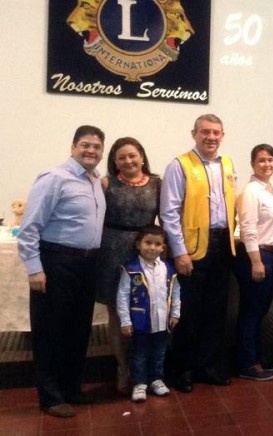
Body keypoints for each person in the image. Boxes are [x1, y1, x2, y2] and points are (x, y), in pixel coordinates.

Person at [17, 125, 106, 418]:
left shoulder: (95, 182)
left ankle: (70, 388)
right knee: (50, 331)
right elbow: (29, 228)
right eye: (85, 145)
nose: (90, 150)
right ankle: (50, 396)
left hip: (87, 264)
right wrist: (34, 269)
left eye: (96, 146)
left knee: (78, 330)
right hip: (57, 262)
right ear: (73, 147)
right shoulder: (54, 178)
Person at [160, 114, 237, 392]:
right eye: (205, 132)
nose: (211, 137)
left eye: (216, 132)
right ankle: (182, 370)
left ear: (223, 135)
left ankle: (208, 367)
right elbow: (169, 213)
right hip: (192, 250)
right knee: (188, 313)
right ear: (194, 133)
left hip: (221, 247)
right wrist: (179, 253)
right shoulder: (179, 165)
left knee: (215, 312)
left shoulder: (227, 164)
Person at [95, 137, 161, 394]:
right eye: (121, 157)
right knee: (118, 312)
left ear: (142, 157)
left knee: (146, 308)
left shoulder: (158, 184)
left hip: (147, 250)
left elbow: (167, 216)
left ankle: (145, 368)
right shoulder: (105, 184)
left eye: (132, 155)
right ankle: (122, 367)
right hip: (112, 250)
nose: (128, 161)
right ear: (114, 161)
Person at [233, 144, 273, 381]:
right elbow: (248, 228)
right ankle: (247, 363)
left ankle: (255, 358)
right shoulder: (252, 190)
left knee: (260, 310)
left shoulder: (272, 188)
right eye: (261, 160)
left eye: (271, 160)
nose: (267, 164)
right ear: (253, 164)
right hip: (259, 255)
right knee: (252, 311)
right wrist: (256, 261)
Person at [117, 225, 180, 402]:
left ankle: (157, 379)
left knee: (159, 352)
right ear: (138, 244)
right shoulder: (131, 269)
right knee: (140, 354)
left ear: (163, 247)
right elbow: (122, 295)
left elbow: (175, 291)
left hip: (162, 321)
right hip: (141, 321)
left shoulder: (168, 268)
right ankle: (139, 383)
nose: (152, 247)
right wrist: (125, 321)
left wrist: (175, 313)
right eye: (148, 243)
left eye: (157, 244)